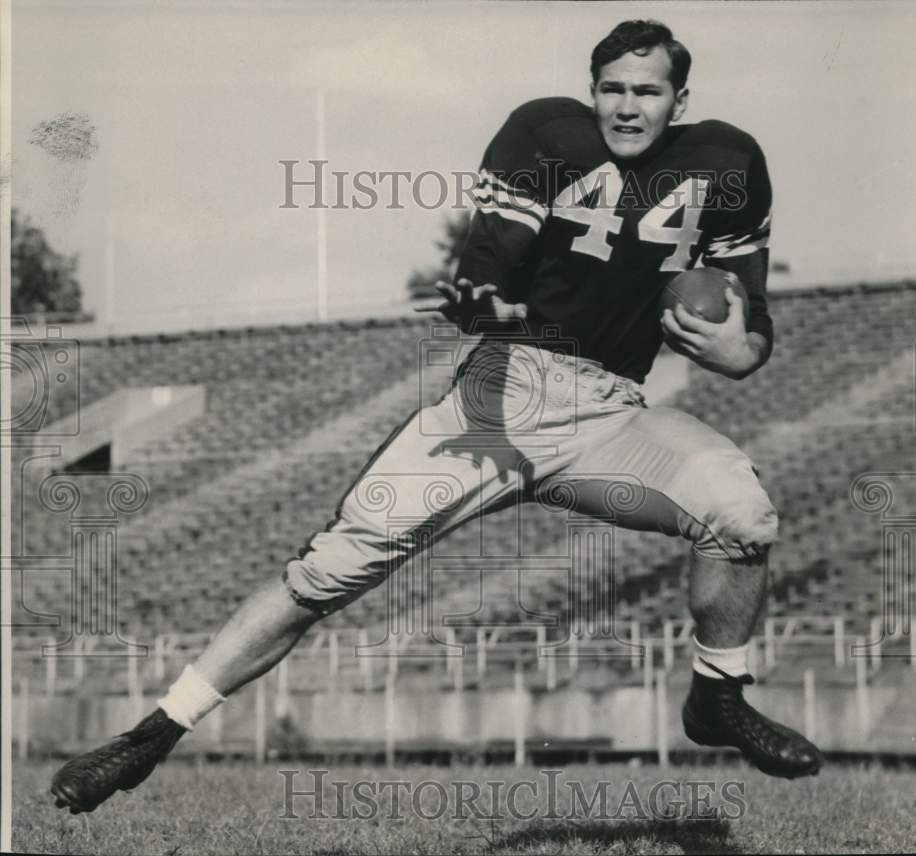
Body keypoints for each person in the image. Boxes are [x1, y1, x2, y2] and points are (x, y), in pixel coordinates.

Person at [51, 19, 821, 814]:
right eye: (613, 89)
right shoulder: (547, 133)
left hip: (613, 415)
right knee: (328, 571)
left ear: (679, 98)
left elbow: (749, 332)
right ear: (593, 92)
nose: (627, 108)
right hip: (504, 399)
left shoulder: (725, 161)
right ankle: (150, 737)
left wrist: (734, 347)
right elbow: (493, 249)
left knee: (742, 511)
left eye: (647, 91)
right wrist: (483, 288)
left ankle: (717, 697)